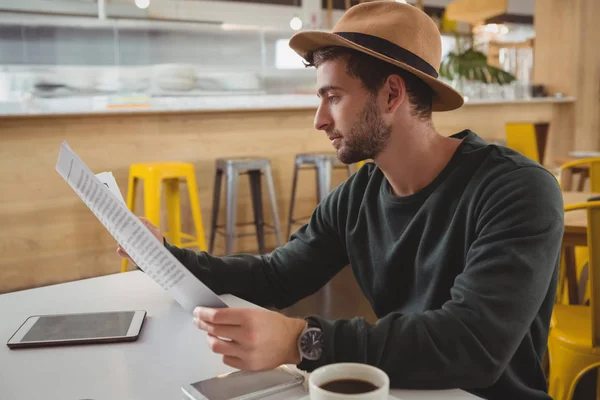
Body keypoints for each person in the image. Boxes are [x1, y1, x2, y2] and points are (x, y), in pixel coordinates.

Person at [119, 2, 564, 399]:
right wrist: (164, 257)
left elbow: (472, 345)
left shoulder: (517, 191)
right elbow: (277, 277)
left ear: (392, 95)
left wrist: (301, 341)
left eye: (333, 96)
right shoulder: (358, 196)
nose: (319, 120)